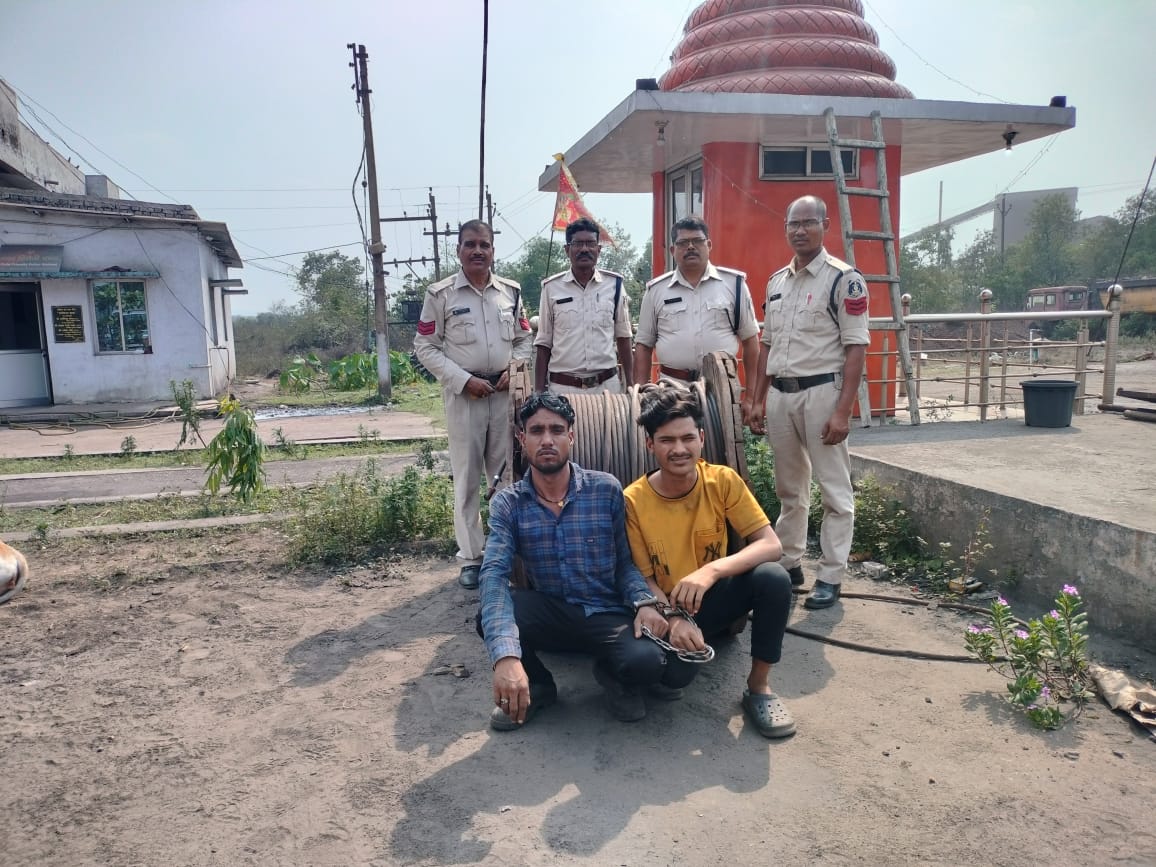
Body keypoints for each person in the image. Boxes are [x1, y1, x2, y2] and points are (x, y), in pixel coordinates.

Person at [477, 392, 676, 730]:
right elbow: (494, 574)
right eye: (537, 431)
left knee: (649, 663)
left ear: (571, 436)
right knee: (489, 615)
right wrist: (506, 657)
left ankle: (613, 675)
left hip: (606, 612)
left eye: (556, 430)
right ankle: (539, 686)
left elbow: (624, 562)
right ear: (522, 439)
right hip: (553, 611)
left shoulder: (606, 489)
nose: (547, 440)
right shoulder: (508, 504)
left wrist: (644, 602)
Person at [623, 383, 796, 739]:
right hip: (665, 608)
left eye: (687, 438)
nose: (679, 449)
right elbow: (643, 578)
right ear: (650, 444)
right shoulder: (633, 501)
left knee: (774, 577)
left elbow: (770, 544)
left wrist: (710, 571)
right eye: (667, 440)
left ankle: (759, 688)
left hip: (713, 599)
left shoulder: (722, 481)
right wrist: (673, 619)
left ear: (701, 438)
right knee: (673, 678)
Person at [749, 196, 870, 610]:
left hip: (822, 394)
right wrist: (757, 399)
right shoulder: (776, 282)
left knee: (834, 491)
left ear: (825, 225)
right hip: (781, 395)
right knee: (790, 488)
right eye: (793, 224)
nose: (800, 231)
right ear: (785, 227)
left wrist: (843, 411)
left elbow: (856, 347)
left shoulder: (843, 280)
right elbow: (766, 345)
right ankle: (789, 562)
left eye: (808, 223)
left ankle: (831, 576)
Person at [414, 220, 533, 589]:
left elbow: (524, 339)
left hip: (503, 394)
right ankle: (471, 558)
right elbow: (425, 347)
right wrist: (464, 381)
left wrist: (514, 369)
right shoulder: (441, 295)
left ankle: (504, 553)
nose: (478, 251)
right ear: (459, 251)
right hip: (465, 396)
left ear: (493, 250)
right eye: (470, 244)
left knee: (506, 477)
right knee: (466, 479)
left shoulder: (510, 292)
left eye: (484, 244)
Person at [632, 216, 760, 421]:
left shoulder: (734, 285)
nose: (690, 247)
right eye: (683, 242)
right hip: (672, 391)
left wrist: (751, 397)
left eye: (697, 241)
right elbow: (644, 346)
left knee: (722, 442)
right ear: (673, 250)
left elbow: (751, 342)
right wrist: (641, 395)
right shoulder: (656, 290)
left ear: (709, 245)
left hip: (721, 390)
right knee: (675, 441)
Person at [534, 217, 633, 394]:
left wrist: (631, 385)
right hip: (563, 389)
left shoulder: (615, 285)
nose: (585, 249)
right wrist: (539, 393)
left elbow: (624, 337)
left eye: (590, 243)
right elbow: (543, 343)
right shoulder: (551, 288)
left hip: (606, 388)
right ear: (567, 250)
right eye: (578, 244)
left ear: (599, 249)